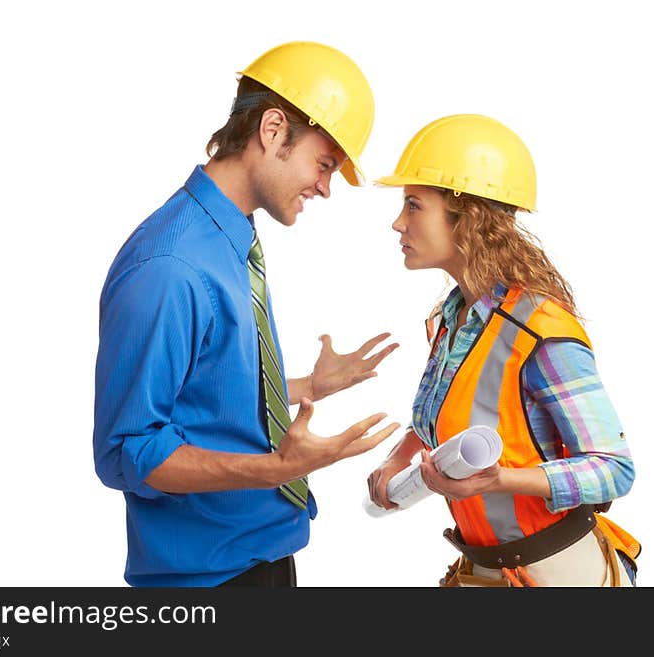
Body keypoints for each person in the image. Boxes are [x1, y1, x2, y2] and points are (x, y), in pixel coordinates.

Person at [93, 41, 401, 587]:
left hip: (259, 565)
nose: (326, 188)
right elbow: (126, 450)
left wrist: (306, 385)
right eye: (324, 163)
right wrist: (276, 470)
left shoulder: (228, 240)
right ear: (274, 130)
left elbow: (205, 394)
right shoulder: (170, 266)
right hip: (208, 585)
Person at [367, 114, 640, 587]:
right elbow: (453, 413)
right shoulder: (454, 318)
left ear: (468, 218)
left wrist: (500, 480)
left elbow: (613, 470)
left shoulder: (540, 330)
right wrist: (399, 457)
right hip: (491, 572)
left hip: (562, 575)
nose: (397, 222)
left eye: (413, 205)